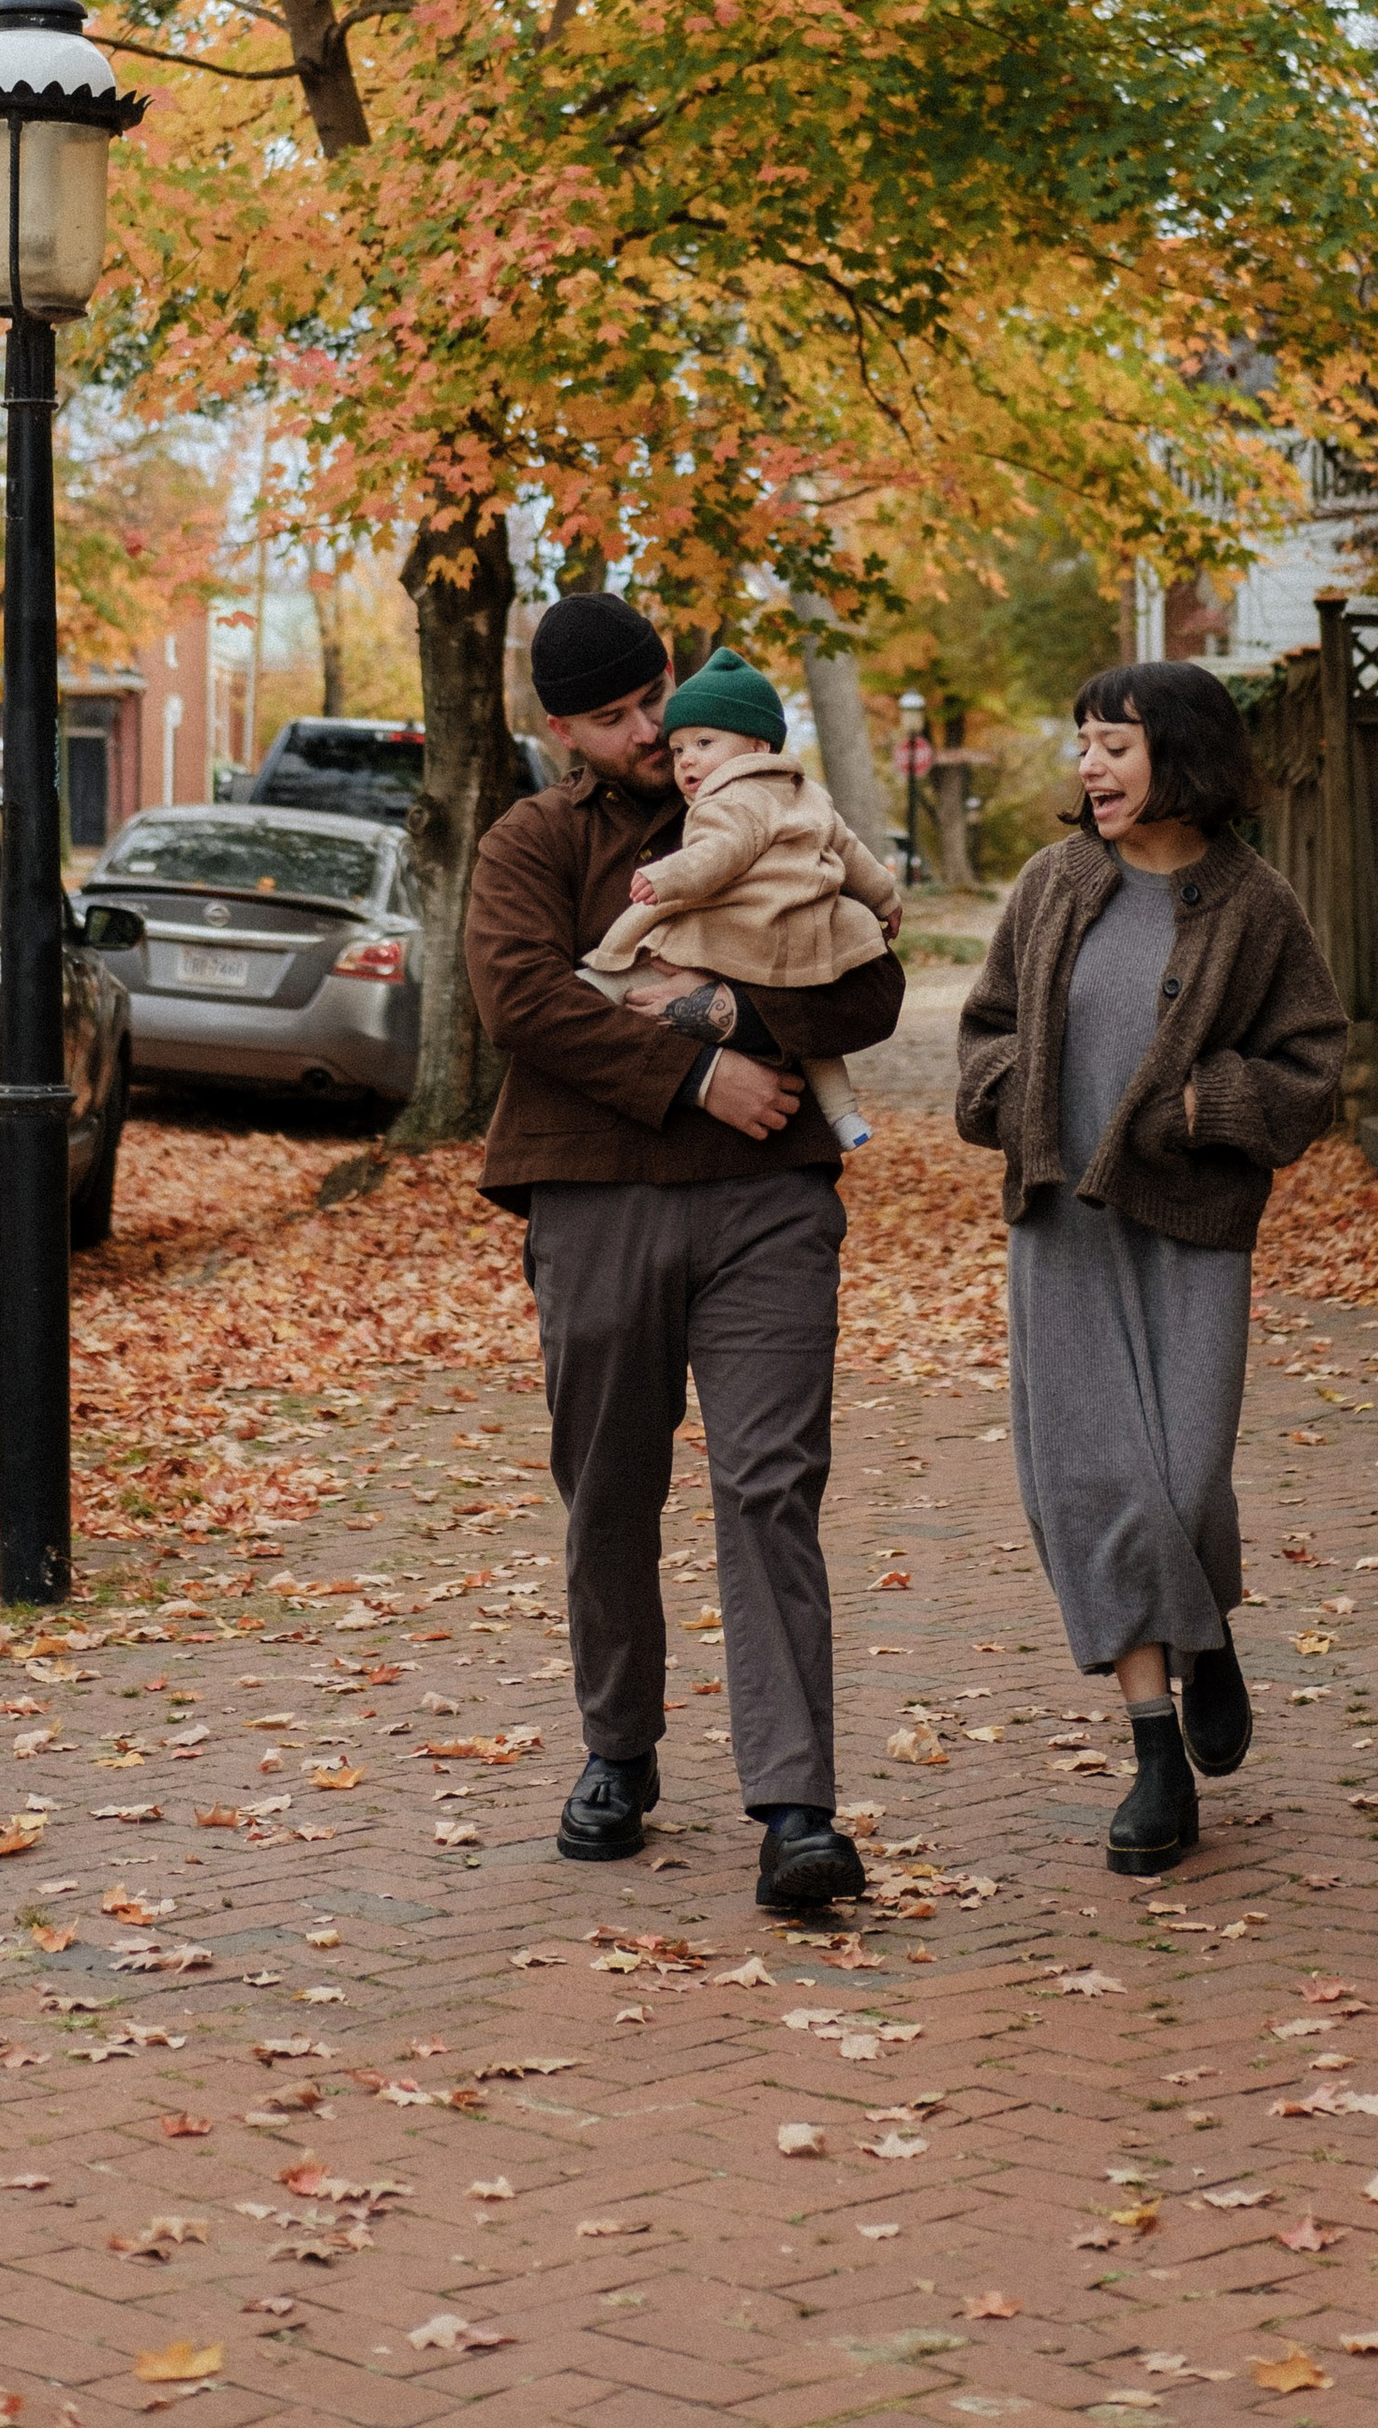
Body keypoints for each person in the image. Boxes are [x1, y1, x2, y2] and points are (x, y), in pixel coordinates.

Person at [464, 592, 905, 1914]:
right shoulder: (533, 840)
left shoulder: (777, 804)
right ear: (563, 731)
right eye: (615, 718)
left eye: (656, 697)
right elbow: (520, 997)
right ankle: (619, 1748)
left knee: (771, 1486)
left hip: (770, 1200)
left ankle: (797, 1808)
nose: (654, 731)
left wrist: (724, 1011)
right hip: (595, 1195)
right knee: (608, 1487)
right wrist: (700, 1075)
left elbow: (874, 983)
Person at [956, 657, 1345, 1877]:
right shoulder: (1052, 883)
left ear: (1179, 754)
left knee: (1183, 1482)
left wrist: (1205, 1105)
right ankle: (1153, 1755)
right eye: (1082, 743)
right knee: (1093, 1484)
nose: (1089, 765)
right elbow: (985, 1031)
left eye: (1113, 744)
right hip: (1062, 1231)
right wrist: (1009, 1093)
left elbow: (1312, 1066)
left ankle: (1205, 1630)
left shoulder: (1255, 904)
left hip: (1187, 1229)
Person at [581, 645, 902, 1150]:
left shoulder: (731, 799)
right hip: (798, 931)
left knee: (624, 969)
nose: (687, 759)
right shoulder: (807, 792)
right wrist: (885, 900)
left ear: (758, 745)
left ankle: (594, 987)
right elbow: (850, 850)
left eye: (704, 742)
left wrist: (667, 875)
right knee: (807, 1039)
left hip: (740, 931)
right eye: (679, 749)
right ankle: (845, 1117)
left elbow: (718, 854)